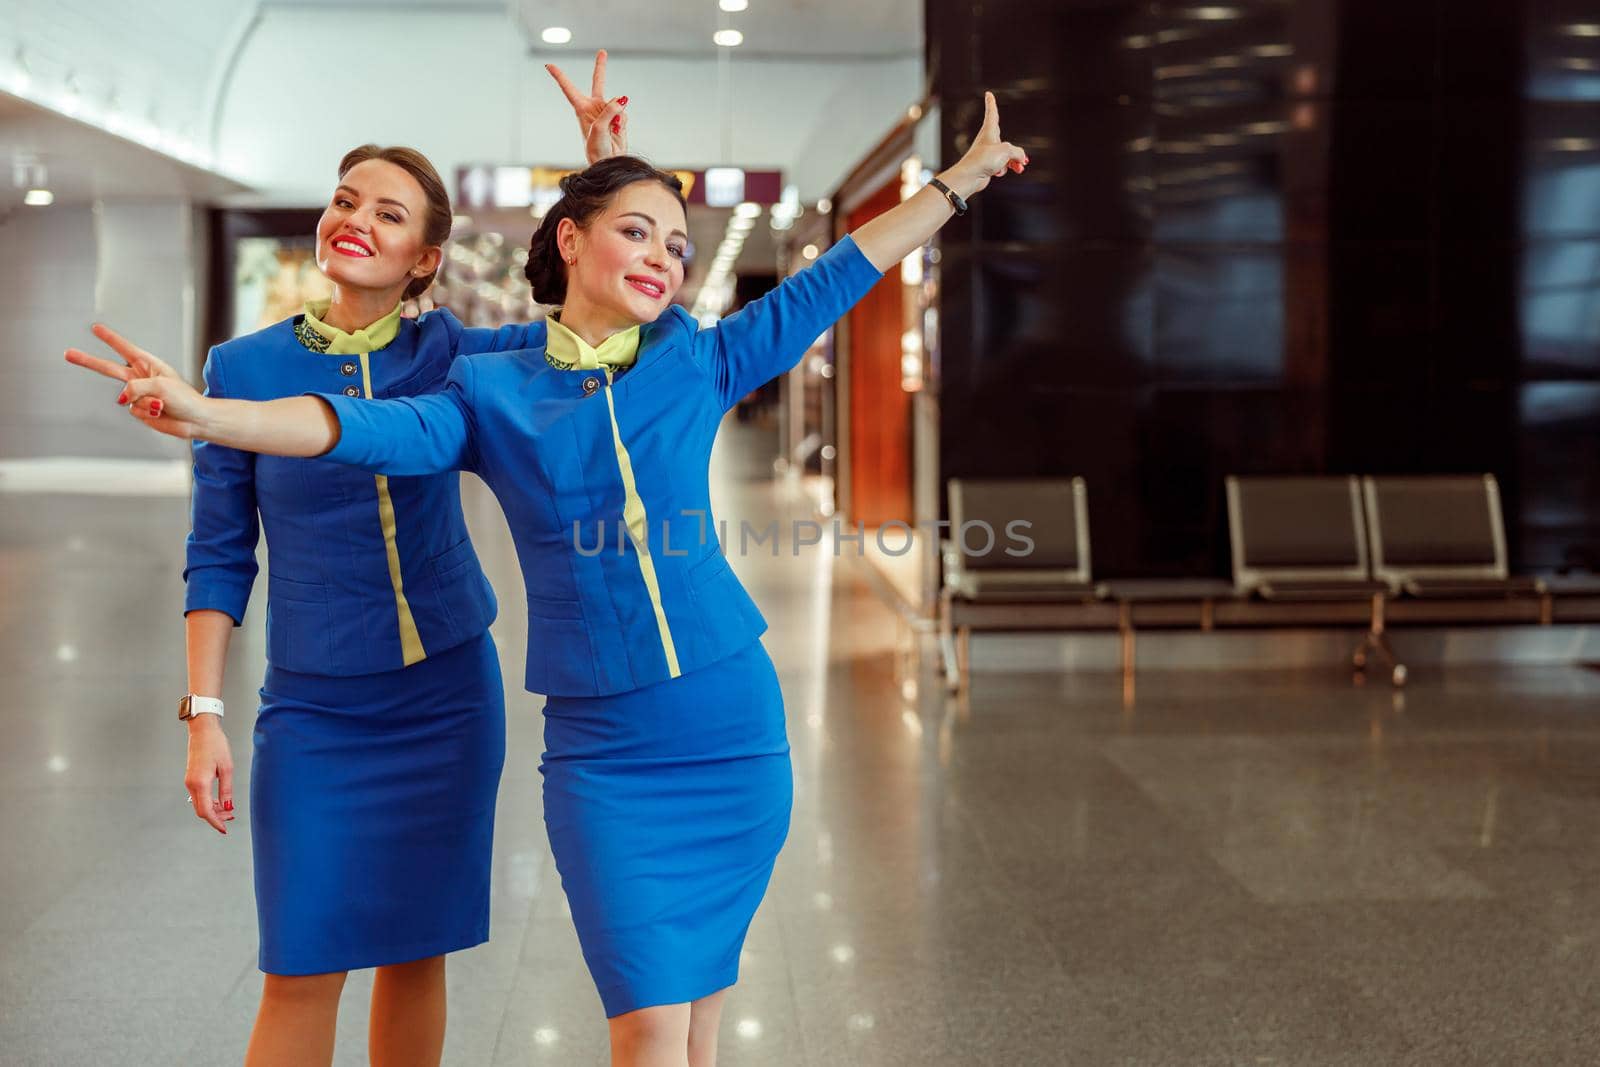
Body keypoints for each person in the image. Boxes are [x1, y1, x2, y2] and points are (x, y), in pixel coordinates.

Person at [70, 92, 1027, 1067]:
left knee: (693, 1020)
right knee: (648, 1014)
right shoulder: (488, 388)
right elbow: (367, 427)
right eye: (636, 234)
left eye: (677, 245)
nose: (663, 258)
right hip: (598, 745)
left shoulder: (689, 359)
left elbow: (839, 274)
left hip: (729, 722)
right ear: (569, 241)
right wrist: (216, 415)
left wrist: (957, 183)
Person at [63, 54, 626, 1067]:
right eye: (343, 198)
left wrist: (603, 164)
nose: (354, 216)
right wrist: (204, 716)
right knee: (302, 961)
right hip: (314, 705)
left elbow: (598, 327)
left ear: (423, 258)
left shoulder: (457, 354)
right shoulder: (240, 372)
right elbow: (219, 554)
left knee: (418, 953)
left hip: (449, 690)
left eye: (390, 210)